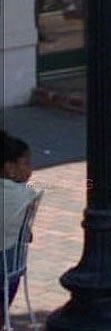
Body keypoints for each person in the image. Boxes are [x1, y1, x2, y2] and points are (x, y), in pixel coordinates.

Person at [2, 131, 41, 308]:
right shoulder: (27, 195)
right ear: (10, 168)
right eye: (26, 163)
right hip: (8, 269)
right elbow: (27, 235)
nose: (30, 169)